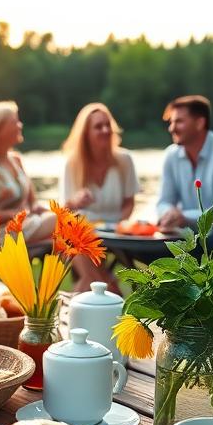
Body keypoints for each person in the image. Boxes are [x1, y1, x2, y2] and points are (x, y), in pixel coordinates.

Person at [60, 103, 140, 291]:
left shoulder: (124, 160)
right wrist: (75, 201)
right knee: (78, 239)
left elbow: (129, 202)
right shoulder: (72, 164)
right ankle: (109, 289)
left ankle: (86, 297)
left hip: (115, 230)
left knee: (88, 267)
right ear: (85, 133)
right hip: (83, 232)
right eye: (98, 126)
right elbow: (64, 212)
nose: (105, 130)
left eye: (108, 125)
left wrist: (121, 224)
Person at [0, 100, 56, 244]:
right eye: (14, 122)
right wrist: (13, 215)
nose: (20, 125)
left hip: (27, 226)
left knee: (70, 222)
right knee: (61, 223)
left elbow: (33, 204)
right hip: (1, 236)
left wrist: (58, 209)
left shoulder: (16, 160)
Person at [156, 95, 213, 237]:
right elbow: (163, 202)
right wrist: (168, 214)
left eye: (179, 121)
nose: (172, 128)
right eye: (171, 122)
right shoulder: (171, 154)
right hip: (181, 232)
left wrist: (183, 217)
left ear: (200, 123)